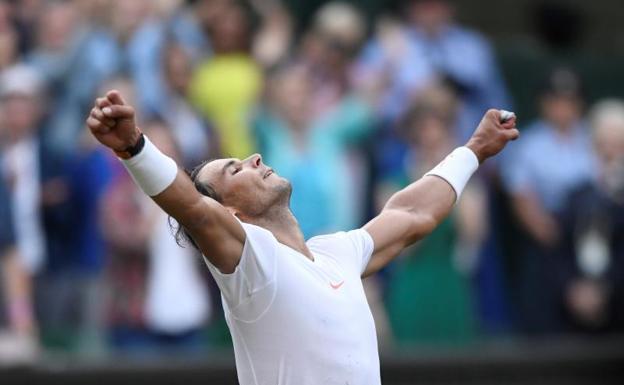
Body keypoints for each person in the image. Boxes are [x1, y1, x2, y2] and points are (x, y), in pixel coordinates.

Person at [86, 89, 518, 385]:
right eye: (235, 169)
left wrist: (473, 150)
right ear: (229, 212)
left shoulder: (335, 253)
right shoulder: (252, 264)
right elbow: (194, 209)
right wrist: (135, 148)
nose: (255, 158)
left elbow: (411, 212)